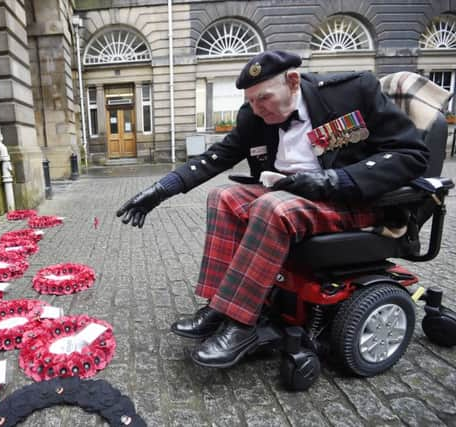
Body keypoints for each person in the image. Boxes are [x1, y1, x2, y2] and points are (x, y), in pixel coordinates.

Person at [115, 51, 429, 368]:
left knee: (270, 205)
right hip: (289, 196)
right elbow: (217, 157)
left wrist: (335, 180)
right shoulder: (255, 115)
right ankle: (220, 306)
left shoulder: (351, 91)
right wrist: (161, 190)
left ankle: (242, 325)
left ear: (292, 81)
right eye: (251, 101)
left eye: (263, 98)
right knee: (223, 196)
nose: (256, 108)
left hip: (351, 200)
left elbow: (412, 154)